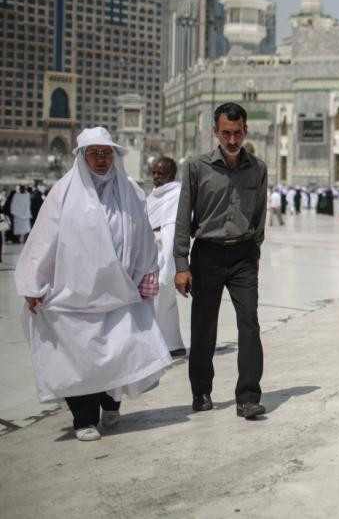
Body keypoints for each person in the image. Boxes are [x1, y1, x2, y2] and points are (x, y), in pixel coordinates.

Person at [16, 127, 171, 441]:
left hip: (120, 289)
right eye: (94, 154)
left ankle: (110, 403)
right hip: (75, 294)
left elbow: (142, 236)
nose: (101, 160)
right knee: (80, 358)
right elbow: (45, 239)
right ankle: (84, 419)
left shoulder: (129, 191)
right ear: (82, 156)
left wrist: (147, 273)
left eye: (106, 153)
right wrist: (33, 283)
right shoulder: (64, 193)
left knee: (118, 351)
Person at [174, 102, 268, 420]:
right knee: (204, 327)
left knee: (250, 324)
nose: (231, 140)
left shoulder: (258, 168)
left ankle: (248, 396)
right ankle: (201, 391)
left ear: (245, 131)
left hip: (242, 254)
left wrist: (254, 251)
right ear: (215, 131)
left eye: (237, 133)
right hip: (208, 254)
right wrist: (181, 265)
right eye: (226, 133)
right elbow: (183, 220)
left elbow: (259, 214)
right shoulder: (196, 167)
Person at [146, 157, 186, 357]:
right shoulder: (153, 195)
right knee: (165, 303)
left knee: (160, 297)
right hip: (150, 251)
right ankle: (173, 345)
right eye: (154, 172)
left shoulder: (177, 194)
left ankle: (158, 345)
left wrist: (171, 266)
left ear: (172, 175)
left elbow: (172, 229)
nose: (156, 177)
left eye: (161, 174)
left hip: (164, 253)